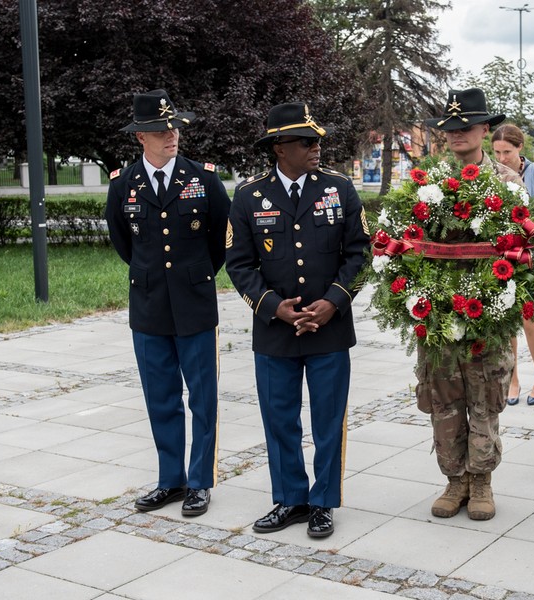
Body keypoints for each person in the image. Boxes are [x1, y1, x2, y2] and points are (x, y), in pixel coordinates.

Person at [225, 102, 369, 539]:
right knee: (280, 419)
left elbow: (359, 254)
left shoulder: (339, 188)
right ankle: (291, 498)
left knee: (328, 420)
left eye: (317, 140)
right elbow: (239, 263)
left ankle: (323, 502)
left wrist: (333, 302)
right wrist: (273, 306)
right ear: (279, 148)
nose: (316, 147)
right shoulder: (249, 196)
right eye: (306, 141)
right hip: (275, 332)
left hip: (330, 327)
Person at [104, 89, 230, 517]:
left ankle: (199, 482)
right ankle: (169, 480)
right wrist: (152, 274)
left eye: (173, 126)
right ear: (141, 137)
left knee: (203, 398)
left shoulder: (204, 179)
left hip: (194, 303)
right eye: (160, 130)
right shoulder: (123, 184)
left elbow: (221, 241)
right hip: (148, 304)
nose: (171, 135)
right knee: (160, 397)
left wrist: (196, 274)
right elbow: (125, 242)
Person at [417, 88, 522, 521]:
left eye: (467, 126)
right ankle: (454, 478)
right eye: (451, 128)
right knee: (442, 392)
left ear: (484, 129)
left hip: (487, 309)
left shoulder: (506, 181)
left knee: (485, 391)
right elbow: (411, 243)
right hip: (439, 310)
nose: (459, 134)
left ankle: (481, 480)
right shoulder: (428, 181)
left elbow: (524, 245)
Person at [491, 124, 534, 406]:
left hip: (531, 256)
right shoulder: (492, 173)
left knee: (529, 319)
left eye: (507, 152)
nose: (502, 158)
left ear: (520, 149)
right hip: (501, 256)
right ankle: (513, 378)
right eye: (497, 152)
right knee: (507, 321)